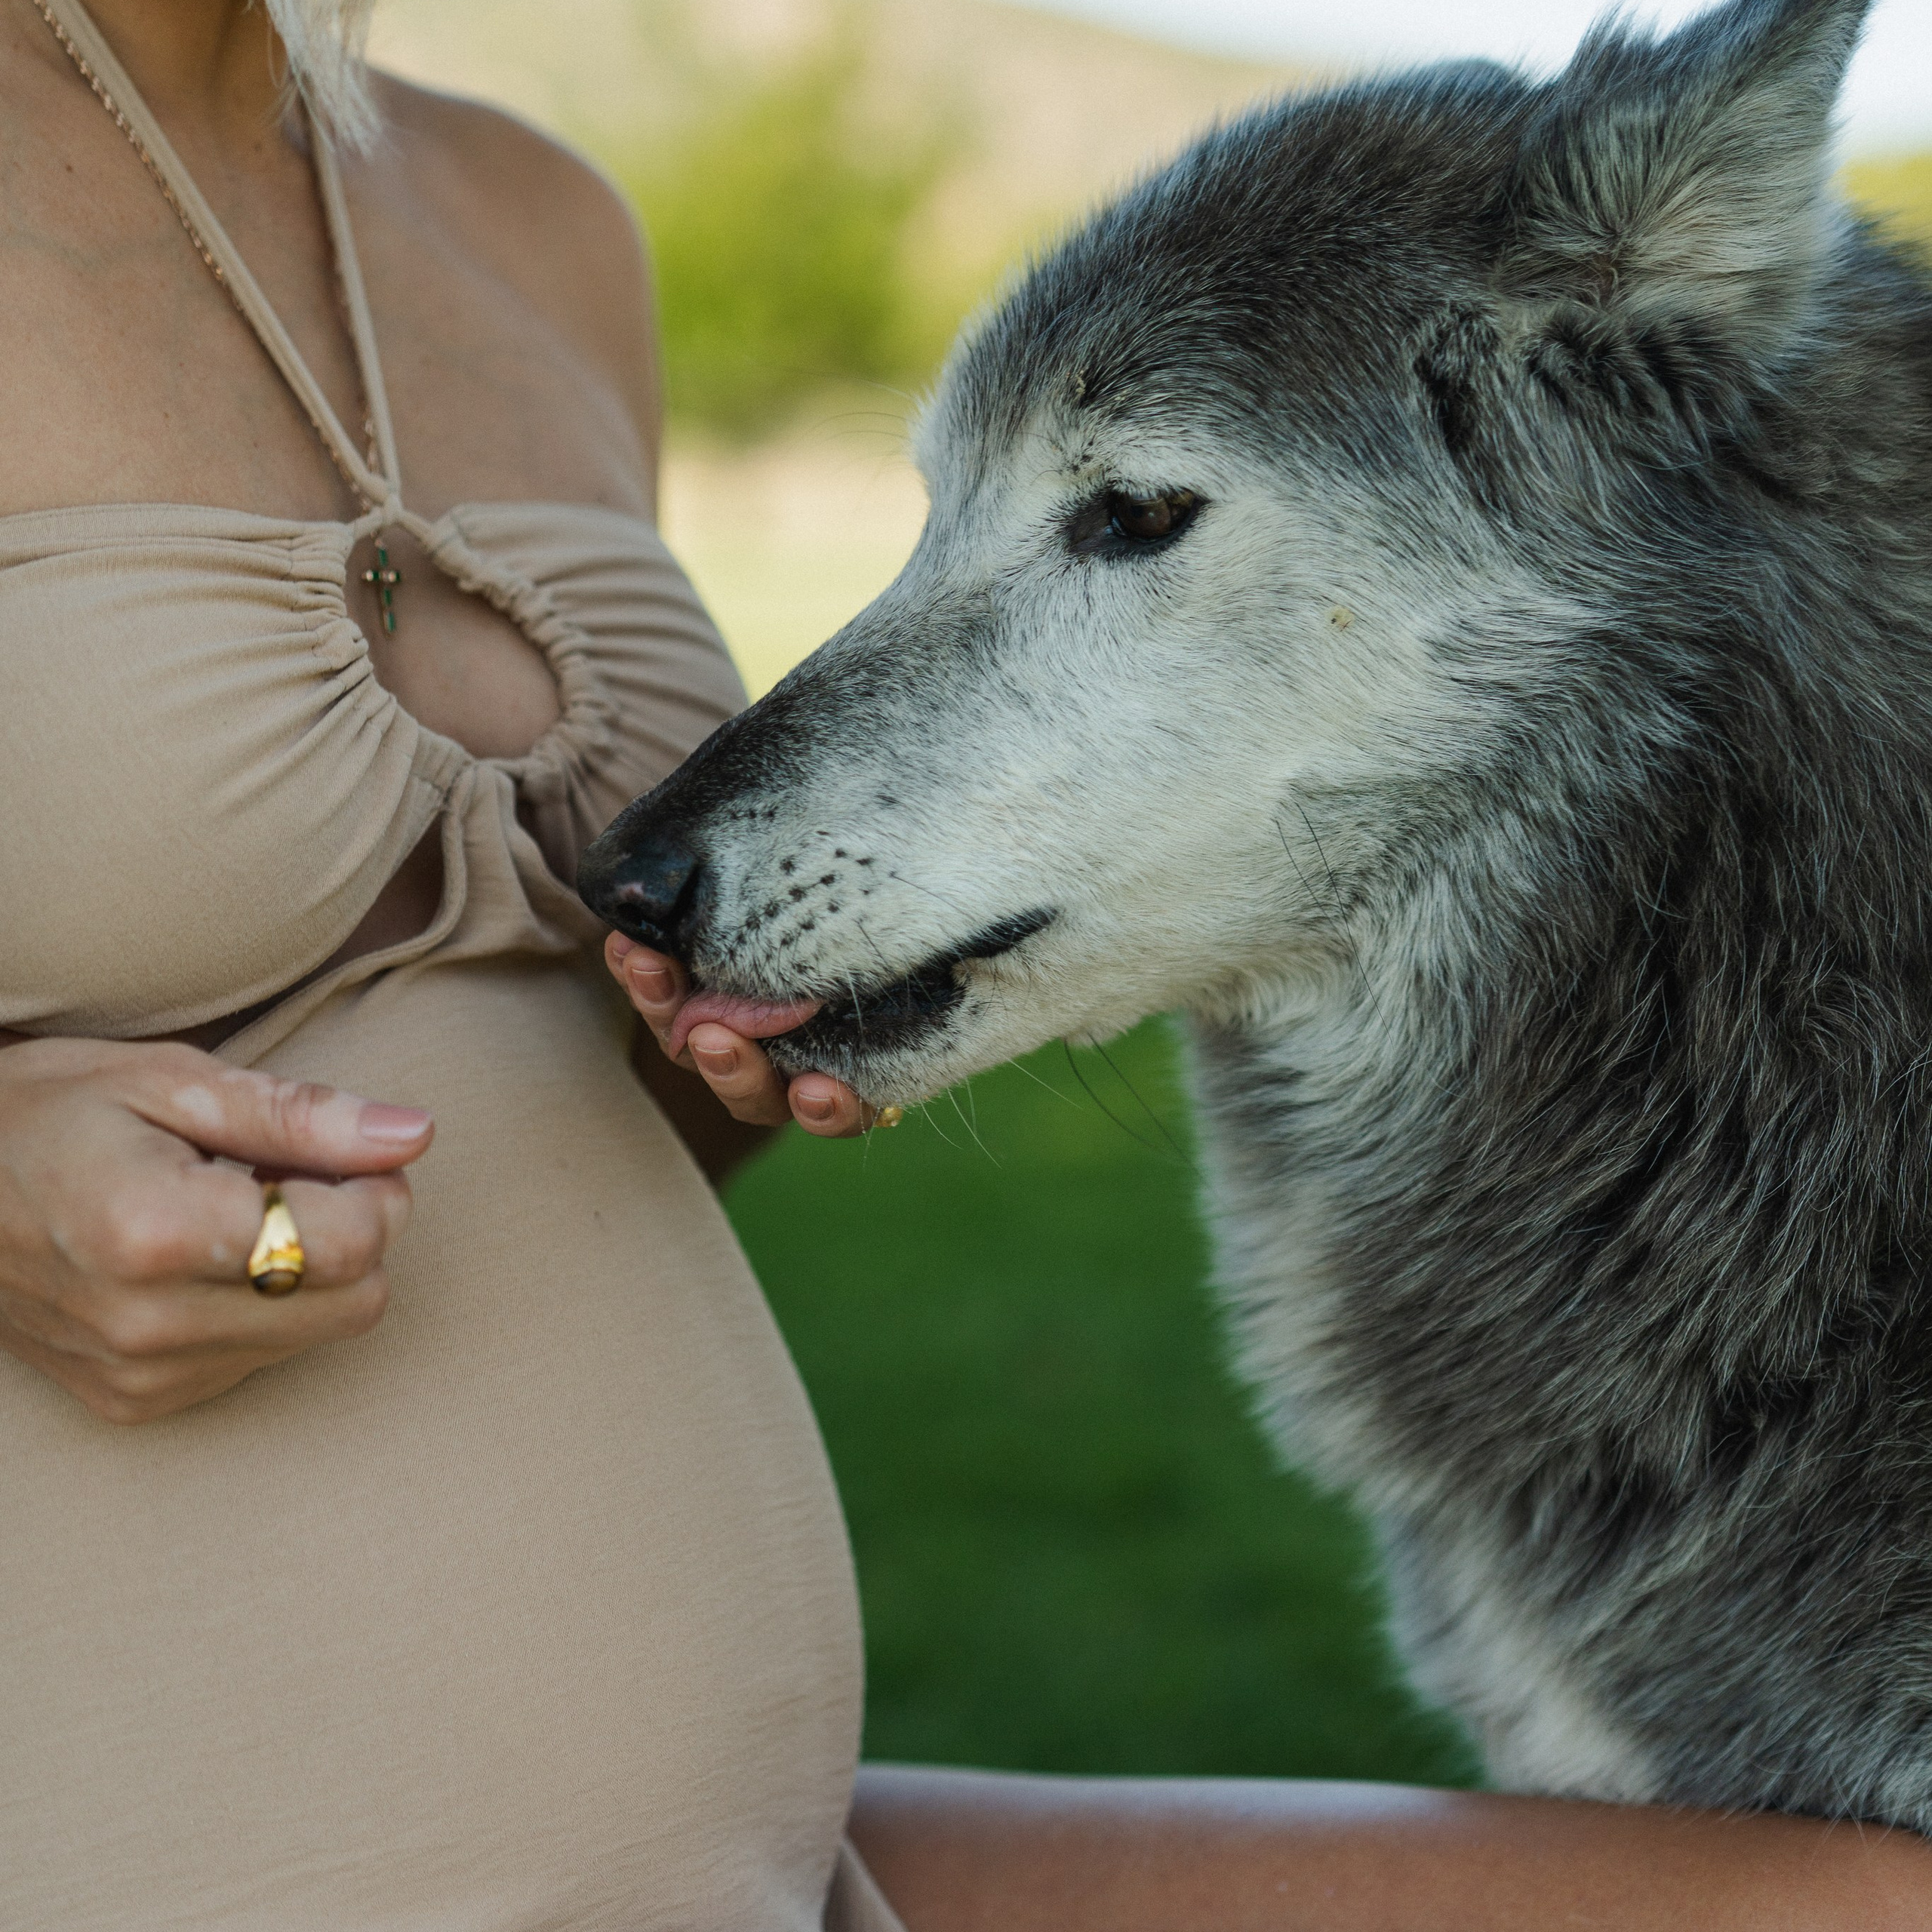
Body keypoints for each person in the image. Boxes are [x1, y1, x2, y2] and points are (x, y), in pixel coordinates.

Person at [0, 1, 1925, 1926]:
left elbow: (551, 1072)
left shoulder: (524, 215)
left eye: (1126, 511)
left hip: (734, 1861)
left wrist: (743, 1033)